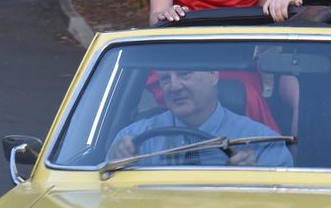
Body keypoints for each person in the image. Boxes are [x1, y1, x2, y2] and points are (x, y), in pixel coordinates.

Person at [109, 68, 293, 168]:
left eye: (184, 74)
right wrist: (117, 164)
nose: (174, 87)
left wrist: (256, 180)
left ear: (213, 76)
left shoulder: (263, 143)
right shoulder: (133, 140)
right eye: (165, 78)